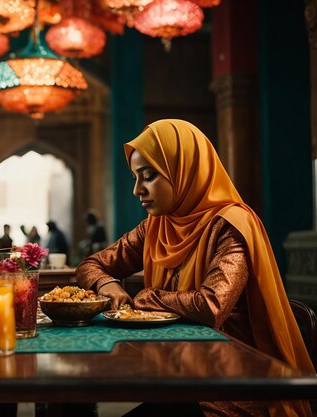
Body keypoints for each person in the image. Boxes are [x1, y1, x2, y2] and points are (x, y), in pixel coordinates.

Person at [76, 119, 314, 417]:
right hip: (177, 374)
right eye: (136, 178)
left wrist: (149, 297)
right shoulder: (156, 227)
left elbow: (211, 306)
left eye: (148, 176)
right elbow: (91, 264)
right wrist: (106, 285)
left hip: (229, 386)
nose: (137, 189)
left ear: (184, 171)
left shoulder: (230, 226)